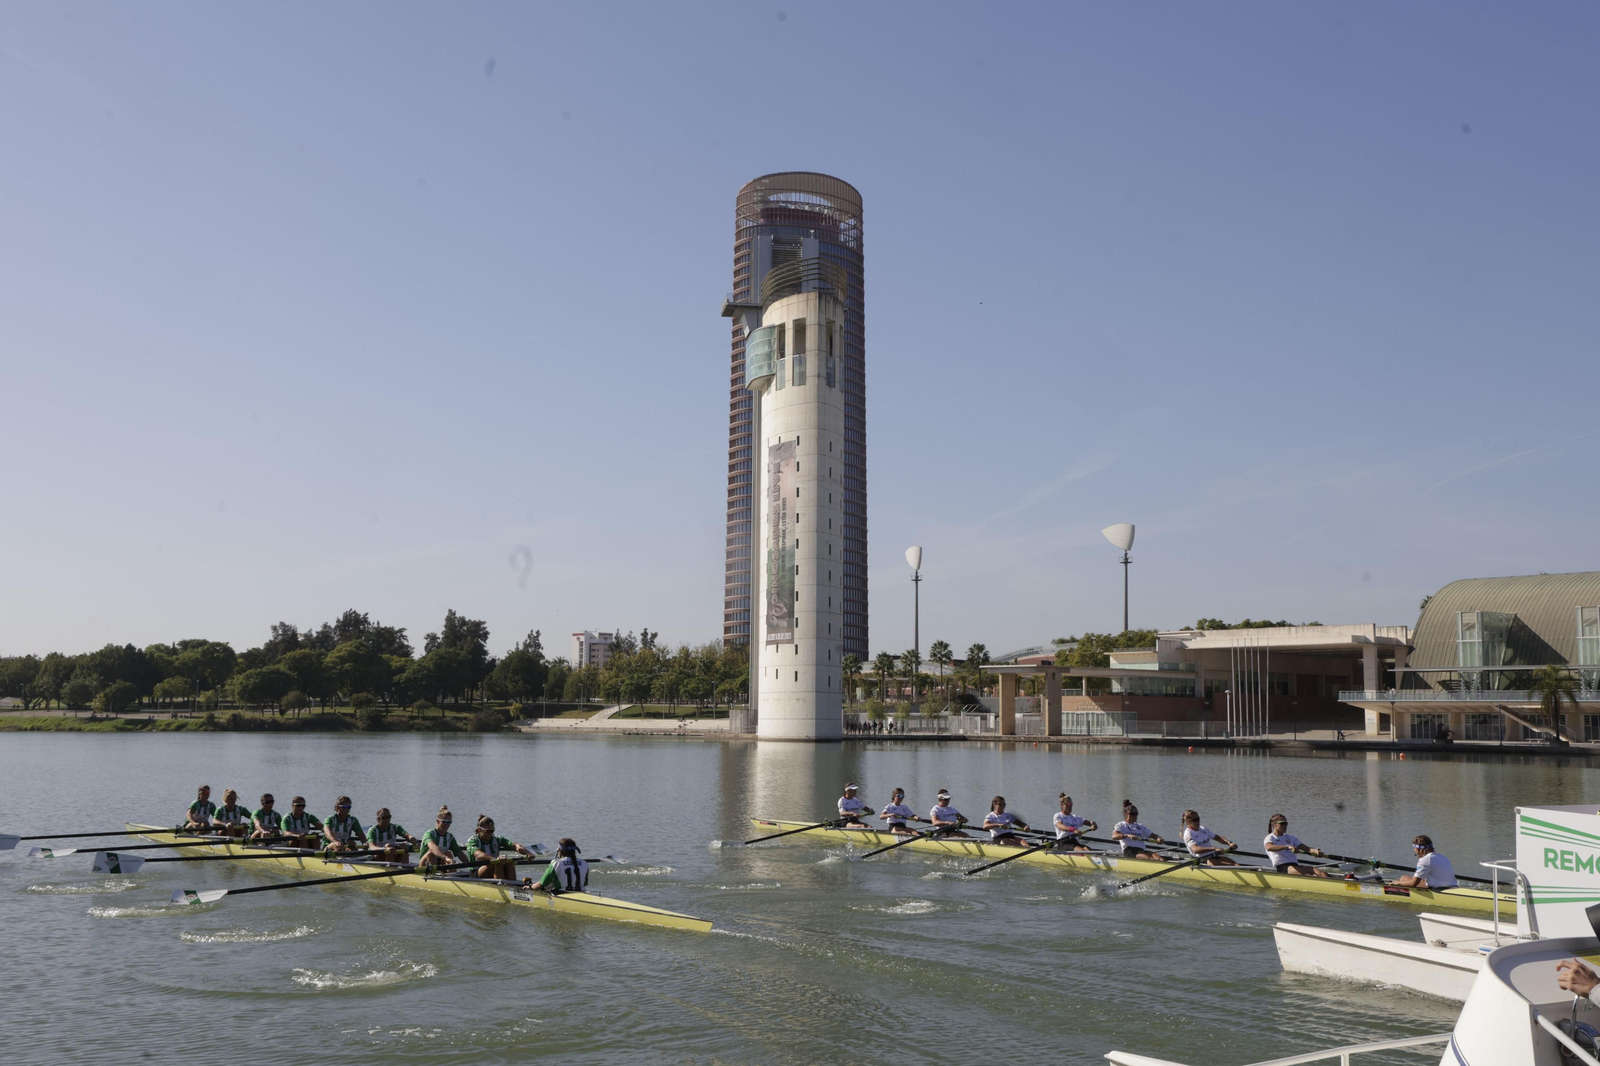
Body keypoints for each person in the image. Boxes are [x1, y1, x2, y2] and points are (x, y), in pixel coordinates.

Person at [464, 815, 537, 880]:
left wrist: (527, 853)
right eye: (488, 831)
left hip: (494, 867)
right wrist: (495, 859)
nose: (490, 833)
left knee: (509, 861)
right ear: (480, 830)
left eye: (492, 831)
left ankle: (513, 886)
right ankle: (500, 886)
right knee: (497, 863)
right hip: (476, 873)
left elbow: (515, 846)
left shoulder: (497, 839)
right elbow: (479, 855)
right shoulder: (472, 841)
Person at [1262, 814, 1327, 877]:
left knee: (1322, 873)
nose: (1285, 825)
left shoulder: (1291, 838)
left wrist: (1315, 851)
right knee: (1311, 875)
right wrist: (1287, 847)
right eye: (1282, 823)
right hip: (1283, 867)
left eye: (1286, 823)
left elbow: (1307, 849)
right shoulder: (1270, 838)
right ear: (1275, 825)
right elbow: (1269, 847)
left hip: (1295, 865)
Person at [1389, 835, 1457, 889]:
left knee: (1404, 878)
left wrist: (1398, 883)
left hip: (1438, 889)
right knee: (1418, 879)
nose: (1414, 850)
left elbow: (1413, 883)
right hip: (1453, 886)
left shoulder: (1425, 859)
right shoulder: (1443, 857)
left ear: (1420, 850)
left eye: (1414, 848)